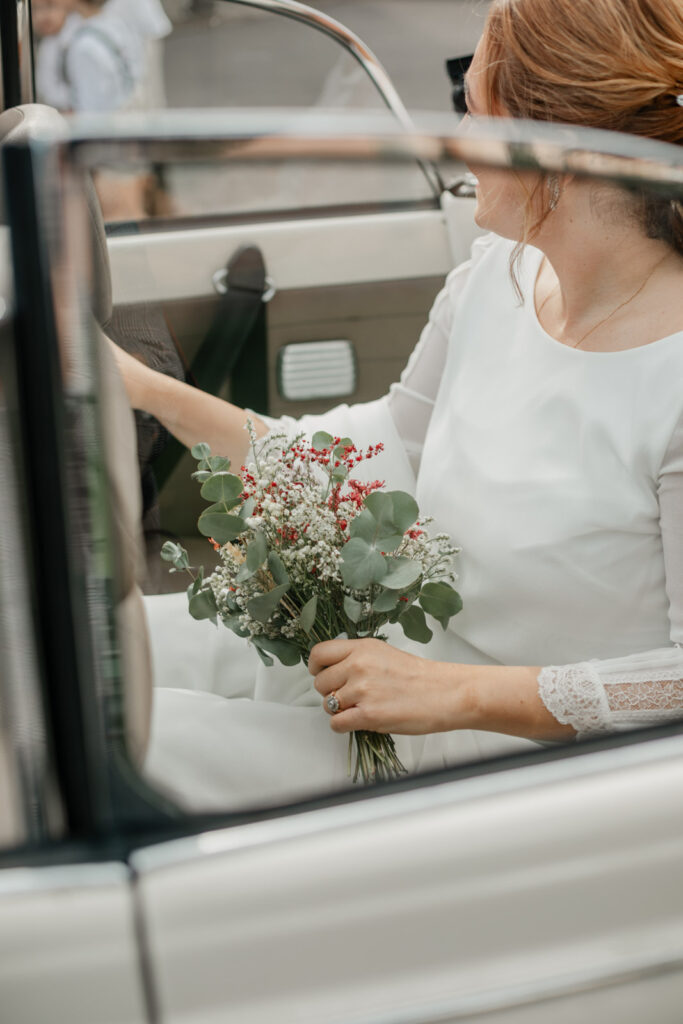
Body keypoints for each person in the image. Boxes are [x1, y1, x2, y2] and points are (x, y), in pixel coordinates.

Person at [112, 0, 683, 811]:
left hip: (518, 759)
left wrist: (453, 694)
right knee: (95, 656)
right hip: (397, 663)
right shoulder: (495, 278)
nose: (451, 138)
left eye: (470, 108)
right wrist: (138, 388)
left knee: (139, 750)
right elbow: (359, 460)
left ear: (552, 148)